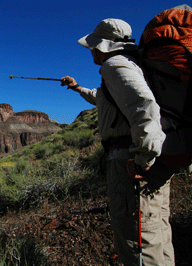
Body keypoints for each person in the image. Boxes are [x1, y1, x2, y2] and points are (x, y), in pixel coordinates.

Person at [60, 19, 177, 265]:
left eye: (93, 45)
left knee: (138, 241)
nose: (91, 50)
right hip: (145, 159)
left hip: (131, 162)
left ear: (102, 46)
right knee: (157, 232)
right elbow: (105, 99)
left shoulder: (114, 65)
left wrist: (143, 157)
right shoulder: (131, 65)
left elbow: (144, 106)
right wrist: (77, 88)